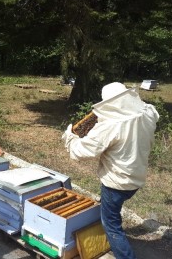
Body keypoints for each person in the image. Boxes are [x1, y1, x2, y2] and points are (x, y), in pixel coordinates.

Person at [62, 82, 159, 259]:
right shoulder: (147, 113)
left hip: (117, 182)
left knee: (111, 224)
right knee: (113, 211)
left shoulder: (112, 125)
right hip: (136, 178)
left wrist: (70, 136)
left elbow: (81, 151)